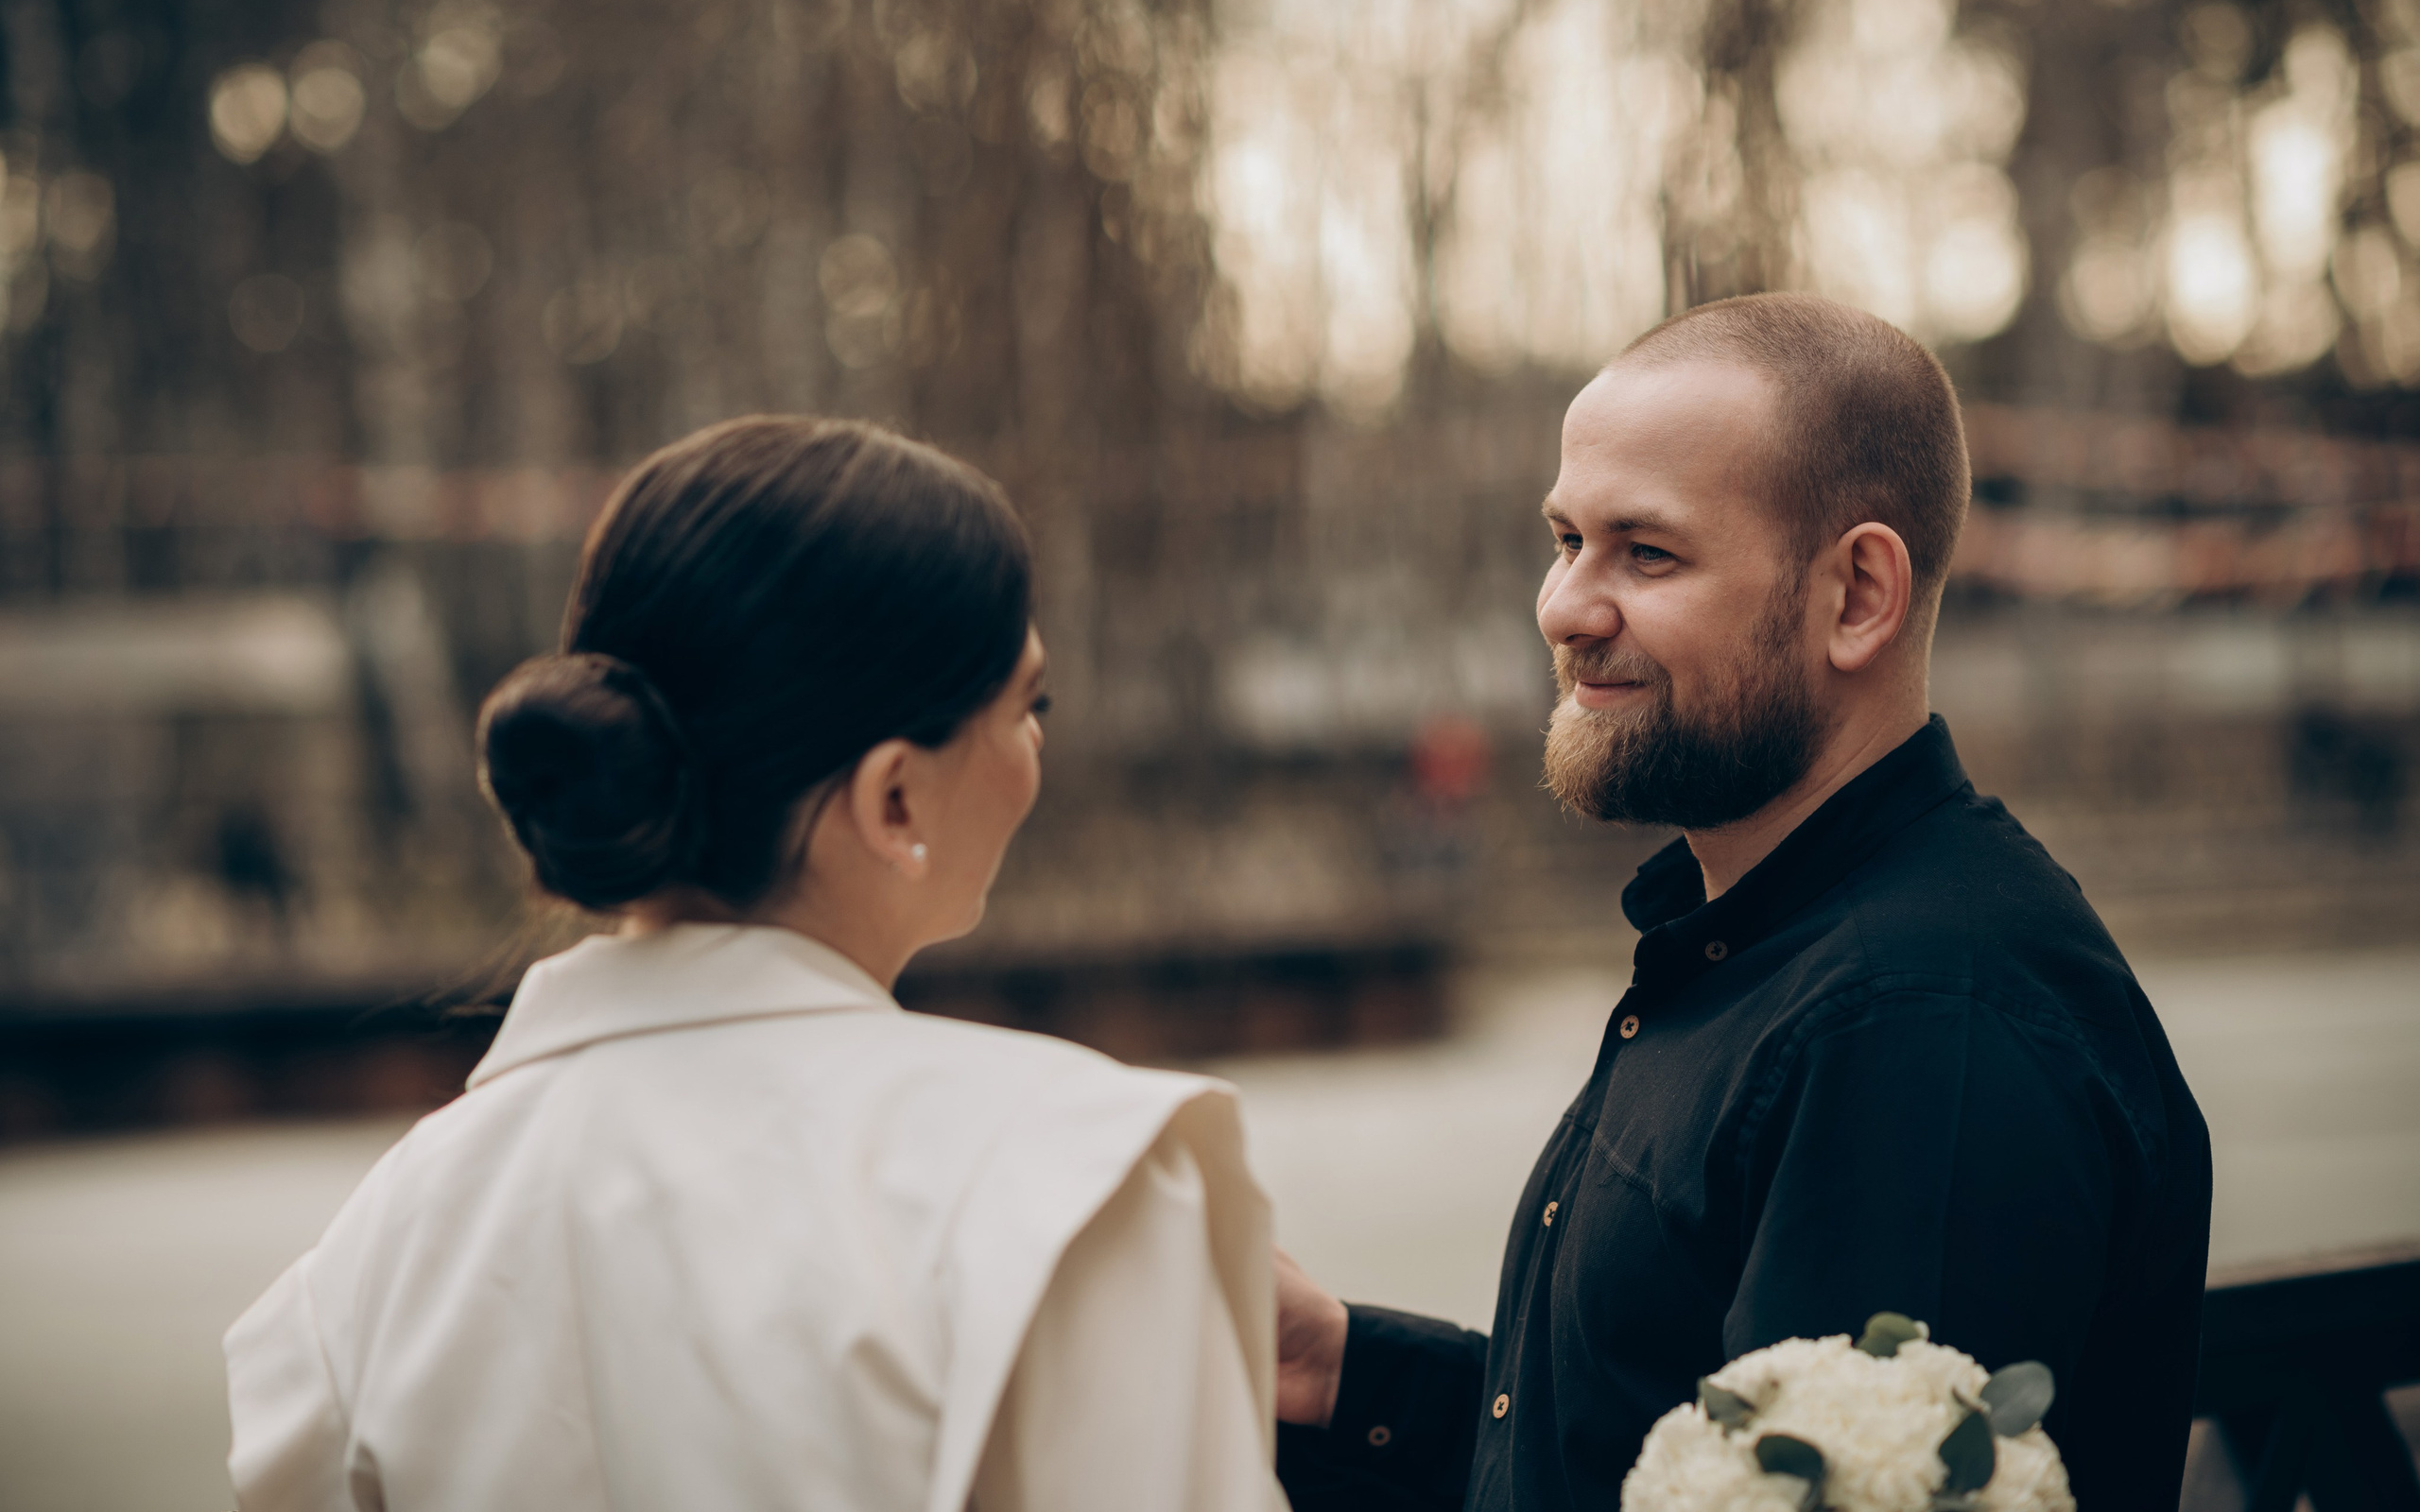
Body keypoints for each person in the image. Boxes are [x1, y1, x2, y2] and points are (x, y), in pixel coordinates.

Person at [224, 416, 1288, 1512]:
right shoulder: (1066, 1184)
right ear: (895, 798)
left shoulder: (377, 1257)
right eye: (1029, 704)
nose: (1038, 749)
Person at [1270, 295, 2212, 1511]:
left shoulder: (1913, 1028)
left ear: (1857, 595)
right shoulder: (1757, 947)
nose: (1562, 606)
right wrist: (1342, 1373)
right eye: (1566, 540)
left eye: (1645, 552)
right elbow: (1638, 1453)